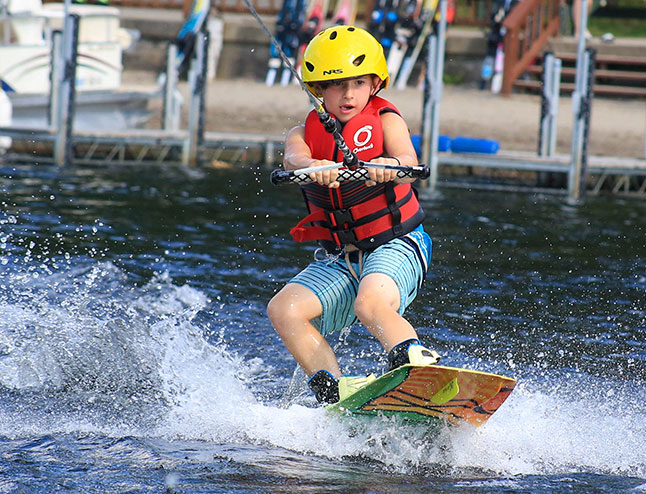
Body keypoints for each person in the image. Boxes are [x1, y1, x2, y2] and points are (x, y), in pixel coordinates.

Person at [267, 25, 441, 405]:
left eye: (358, 83)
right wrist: (313, 165)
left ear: (375, 83)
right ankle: (334, 393)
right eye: (337, 85)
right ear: (317, 89)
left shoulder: (387, 120)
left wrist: (388, 165)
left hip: (397, 243)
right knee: (284, 309)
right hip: (343, 256)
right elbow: (293, 159)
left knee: (369, 304)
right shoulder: (302, 133)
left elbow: (408, 160)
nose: (348, 94)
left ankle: (418, 367)